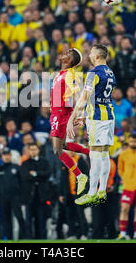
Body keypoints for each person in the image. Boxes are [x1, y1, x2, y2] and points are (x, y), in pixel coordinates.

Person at [67, 44, 116, 206]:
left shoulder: (93, 73)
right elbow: (100, 97)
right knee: (104, 153)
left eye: (91, 54)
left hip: (97, 118)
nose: (88, 56)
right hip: (108, 116)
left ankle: (92, 192)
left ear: (97, 56)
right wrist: (85, 117)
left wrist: (72, 117)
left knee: (95, 154)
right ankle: (102, 191)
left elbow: (84, 97)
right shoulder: (110, 72)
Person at [50, 47, 90, 196]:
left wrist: (73, 116)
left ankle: (80, 176)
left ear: (70, 60)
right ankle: (90, 152)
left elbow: (77, 95)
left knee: (57, 150)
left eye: (67, 54)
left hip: (61, 114)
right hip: (56, 112)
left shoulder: (69, 75)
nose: (63, 54)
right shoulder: (59, 75)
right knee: (62, 146)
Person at [0, 148, 26, 240]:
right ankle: (9, 238)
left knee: (19, 217)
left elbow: (22, 183)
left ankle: (25, 237)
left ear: (10, 155)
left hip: (15, 197)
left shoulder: (16, 167)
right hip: (4, 197)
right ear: (2, 157)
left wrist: (22, 197)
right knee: (6, 219)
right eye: (4, 155)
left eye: (8, 154)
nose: (6, 157)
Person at [20, 143, 51, 239]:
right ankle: (29, 239)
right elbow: (24, 176)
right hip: (29, 196)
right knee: (29, 220)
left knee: (41, 220)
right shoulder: (25, 163)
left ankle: (42, 239)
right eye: (31, 149)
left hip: (41, 196)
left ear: (38, 150)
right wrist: (39, 176)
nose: (33, 151)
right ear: (28, 151)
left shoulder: (44, 162)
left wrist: (35, 174)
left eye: (35, 149)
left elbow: (47, 174)